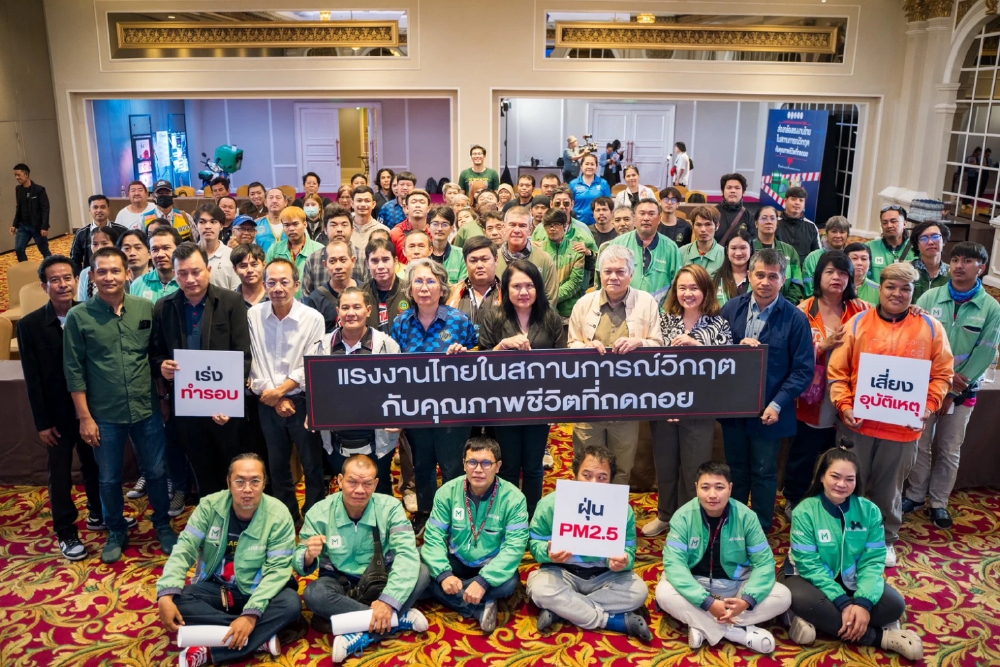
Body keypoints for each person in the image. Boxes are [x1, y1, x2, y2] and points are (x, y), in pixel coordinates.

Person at [827, 262, 953, 564]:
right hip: (858, 425)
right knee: (849, 485)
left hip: (902, 429)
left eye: (905, 289)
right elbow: (838, 371)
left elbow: (942, 374)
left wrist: (929, 406)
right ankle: (848, 535)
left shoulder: (931, 328)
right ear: (880, 288)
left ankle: (884, 540)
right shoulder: (858, 323)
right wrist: (844, 405)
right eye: (891, 287)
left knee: (890, 490)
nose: (897, 293)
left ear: (913, 292)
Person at [63, 246, 179, 563]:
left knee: (156, 471)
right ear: (92, 276)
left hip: (146, 408)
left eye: (116, 270)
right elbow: (74, 370)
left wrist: (162, 398)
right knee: (109, 477)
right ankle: (116, 530)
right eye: (102, 271)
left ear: (127, 273)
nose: (109, 277)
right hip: (104, 413)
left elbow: (154, 357)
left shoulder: (145, 308)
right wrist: (85, 418)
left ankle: (162, 525)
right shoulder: (78, 317)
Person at [156, 453, 300, 667]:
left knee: (291, 604)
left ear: (264, 483)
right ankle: (259, 638)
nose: (247, 489)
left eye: (255, 481)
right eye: (240, 481)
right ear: (228, 482)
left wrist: (251, 615)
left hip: (260, 591)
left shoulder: (278, 514)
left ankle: (212, 646)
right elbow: (184, 549)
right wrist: (165, 594)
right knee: (176, 600)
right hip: (220, 591)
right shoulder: (209, 506)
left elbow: (278, 571)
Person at [781, 448, 923, 661]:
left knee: (895, 605)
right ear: (821, 477)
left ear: (857, 481)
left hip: (852, 579)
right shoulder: (804, 510)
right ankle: (879, 637)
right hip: (806, 578)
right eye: (835, 476)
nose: (842, 484)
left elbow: (872, 561)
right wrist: (843, 602)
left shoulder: (870, 511)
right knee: (798, 599)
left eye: (850, 479)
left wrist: (863, 603)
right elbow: (809, 565)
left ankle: (818, 622)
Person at [296, 455, 429, 663]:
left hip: (381, 576)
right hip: (339, 581)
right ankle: (398, 618)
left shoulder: (390, 507)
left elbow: (406, 552)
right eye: (352, 482)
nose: (360, 490)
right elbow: (299, 561)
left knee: (421, 572)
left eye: (367, 483)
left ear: (375, 484)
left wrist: (387, 601)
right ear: (340, 480)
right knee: (314, 594)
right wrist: (307, 555)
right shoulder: (319, 512)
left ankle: (359, 632)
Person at [904, 242, 1000, 528]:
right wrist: (940, 378)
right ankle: (915, 495)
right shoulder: (930, 297)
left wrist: (954, 387)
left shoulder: (991, 308)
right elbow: (916, 342)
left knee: (949, 449)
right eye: (955, 259)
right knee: (918, 444)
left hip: (963, 392)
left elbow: (986, 351)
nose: (959, 266)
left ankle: (939, 502)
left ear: (981, 268)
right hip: (926, 387)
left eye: (967, 261)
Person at [17, 255, 106, 560]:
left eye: (68, 278)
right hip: (56, 416)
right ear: (44, 286)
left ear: (77, 281)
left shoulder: (91, 313)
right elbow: (32, 378)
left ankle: (98, 512)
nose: (63, 284)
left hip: (91, 410)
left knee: (95, 466)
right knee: (60, 474)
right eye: (54, 280)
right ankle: (66, 531)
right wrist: (42, 423)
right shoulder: (30, 326)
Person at [719, 248, 814, 531]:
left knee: (764, 471)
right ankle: (734, 525)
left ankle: (759, 528)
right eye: (759, 275)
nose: (765, 282)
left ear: (783, 280)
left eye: (773, 276)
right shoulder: (730, 309)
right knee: (736, 470)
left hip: (771, 411)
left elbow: (803, 370)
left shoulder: (796, 319)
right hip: (734, 409)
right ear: (749, 275)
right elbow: (717, 355)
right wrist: (735, 349)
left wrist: (778, 403)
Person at [656, 461, 791, 653]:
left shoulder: (746, 517)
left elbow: (764, 563)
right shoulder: (683, 516)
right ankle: (738, 634)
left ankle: (701, 625)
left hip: (736, 587)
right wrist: (706, 602)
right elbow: (674, 565)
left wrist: (747, 600)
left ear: (730, 488)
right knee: (663, 593)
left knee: (783, 596)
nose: (712, 495)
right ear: (696, 488)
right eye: (705, 487)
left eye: (719, 487)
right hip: (695, 585)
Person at [151, 242, 251, 497]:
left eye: (195, 272)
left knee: (233, 468)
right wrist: (162, 366)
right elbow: (156, 353)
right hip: (188, 405)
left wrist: (230, 403)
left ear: (208, 270)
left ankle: (239, 514)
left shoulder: (231, 301)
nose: (190, 279)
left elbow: (243, 355)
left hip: (225, 405)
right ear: (175, 274)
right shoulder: (163, 307)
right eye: (182, 273)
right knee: (201, 469)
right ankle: (210, 515)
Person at [527, 444, 652, 641]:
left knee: (639, 592)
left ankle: (563, 610)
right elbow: (535, 544)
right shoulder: (550, 503)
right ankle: (612, 621)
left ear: (610, 480)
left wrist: (622, 561)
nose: (594, 483)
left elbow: (629, 551)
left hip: (606, 575)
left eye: (602, 477)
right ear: (575, 474)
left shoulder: (622, 509)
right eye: (587, 475)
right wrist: (547, 552)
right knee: (539, 588)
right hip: (562, 571)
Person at [642, 265, 732, 537]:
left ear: (705, 290)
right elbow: (652, 364)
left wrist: (699, 346)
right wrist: (664, 402)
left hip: (699, 409)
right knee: (665, 466)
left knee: (694, 469)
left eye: (694, 288)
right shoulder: (664, 319)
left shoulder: (718, 323)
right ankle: (665, 516)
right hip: (665, 406)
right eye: (682, 288)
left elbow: (726, 366)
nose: (687, 293)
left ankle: (688, 521)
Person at [390, 259, 478, 534]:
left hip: (454, 408)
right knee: (422, 464)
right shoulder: (400, 323)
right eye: (418, 281)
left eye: (431, 281)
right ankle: (425, 512)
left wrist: (465, 354)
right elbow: (392, 368)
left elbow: (479, 359)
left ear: (441, 287)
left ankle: (454, 515)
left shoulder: (459, 320)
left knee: (453, 466)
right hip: (416, 409)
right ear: (410, 288)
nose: (424, 287)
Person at [568, 245, 665, 484]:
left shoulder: (646, 302)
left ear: (631, 274)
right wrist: (585, 349)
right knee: (587, 466)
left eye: (620, 272)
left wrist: (639, 343)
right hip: (589, 401)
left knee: (622, 467)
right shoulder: (584, 303)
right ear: (600, 273)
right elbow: (571, 345)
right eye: (608, 271)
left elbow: (658, 345)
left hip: (627, 402)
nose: (613, 277)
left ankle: (616, 509)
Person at [784, 251, 870, 515]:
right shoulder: (802, 310)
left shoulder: (863, 310)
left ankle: (834, 499)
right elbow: (788, 353)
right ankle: (795, 497)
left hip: (850, 393)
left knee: (841, 451)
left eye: (843, 273)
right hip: (813, 397)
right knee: (806, 450)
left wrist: (914, 310)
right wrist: (820, 347)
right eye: (830, 272)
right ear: (818, 276)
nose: (836, 278)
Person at [478, 260, 565, 515]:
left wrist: (556, 404)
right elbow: (481, 362)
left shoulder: (551, 318)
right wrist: (502, 346)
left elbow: (563, 364)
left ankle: (531, 516)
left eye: (529, 285)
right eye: (516, 286)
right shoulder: (494, 317)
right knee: (508, 466)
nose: (523, 292)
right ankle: (508, 515)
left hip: (540, 404)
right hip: (504, 405)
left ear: (538, 287)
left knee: (534, 466)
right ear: (506, 289)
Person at [419, 435, 529, 634]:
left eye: (486, 463)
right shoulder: (447, 492)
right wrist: (444, 574)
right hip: (456, 558)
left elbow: (514, 548)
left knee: (510, 583)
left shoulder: (514, 499)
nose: (478, 469)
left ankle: (448, 592)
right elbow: (434, 537)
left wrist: (484, 581)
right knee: (418, 562)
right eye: (472, 462)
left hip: (490, 563)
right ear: (464, 464)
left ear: (498, 466)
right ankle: (476, 607)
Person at [248, 258, 327, 523]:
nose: (278, 288)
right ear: (264, 285)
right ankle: (287, 515)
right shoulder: (254, 315)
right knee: (277, 465)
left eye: (284, 282)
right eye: (271, 282)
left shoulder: (312, 318)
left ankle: (314, 515)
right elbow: (254, 360)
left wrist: (281, 391)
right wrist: (274, 396)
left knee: (312, 464)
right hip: (267, 400)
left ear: (296, 284)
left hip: (303, 400)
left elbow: (312, 361)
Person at [598, 198, 682, 306]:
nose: (646, 218)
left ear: (659, 218)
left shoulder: (671, 248)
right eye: (642, 213)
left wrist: (663, 312)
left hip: (659, 312)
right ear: (634, 218)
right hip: (622, 310)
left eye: (651, 214)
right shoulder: (618, 243)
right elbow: (606, 279)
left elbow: (677, 284)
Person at [495, 206, 559, 306]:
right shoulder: (493, 259)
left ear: (530, 230)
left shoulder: (544, 259)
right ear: (504, 227)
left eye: (522, 226)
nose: (517, 230)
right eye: (512, 225)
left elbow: (550, 299)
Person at [302, 204, 364, 297]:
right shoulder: (313, 259)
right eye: (333, 225)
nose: (339, 229)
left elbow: (370, 292)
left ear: (352, 230)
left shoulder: (363, 257)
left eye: (344, 225)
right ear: (325, 230)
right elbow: (306, 297)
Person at [265, 206, 324, 299]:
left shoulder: (319, 249)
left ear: (305, 224)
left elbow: (322, 282)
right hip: (280, 300)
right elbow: (267, 278)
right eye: (287, 225)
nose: (291, 228)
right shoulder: (274, 250)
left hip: (311, 302)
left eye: (295, 224)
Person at [538, 208, 586, 318]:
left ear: (564, 226)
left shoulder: (576, 250)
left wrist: (551, 297)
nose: (552, 228)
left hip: (569, 311)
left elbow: (575, 282)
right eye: (548, 225)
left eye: (556, 224)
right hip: (544, 311)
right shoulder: (538, 251)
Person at [446, 235, 502, 331]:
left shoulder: (507, 293)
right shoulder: (450, 293)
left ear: (496, 260)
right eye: (473, 261)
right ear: (465, 262)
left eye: (485, 259)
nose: (479, 265)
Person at [753, 205, 804, 305]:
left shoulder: (789, 251)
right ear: (756, 223)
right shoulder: (749, 249)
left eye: (772, 218)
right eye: (764, 218)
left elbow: (796, 281)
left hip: (786, 305)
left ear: (777, 223)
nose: (769, 222)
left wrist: (786, 304)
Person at [304, 239, 357, 333]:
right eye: (332, 261)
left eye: (343, 260)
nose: (338, 266)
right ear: (325, 264)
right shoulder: (316, 299)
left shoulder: (365, 291)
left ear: (353, 261)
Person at [362, 238, 408, 334]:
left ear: (395, 261)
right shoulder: (360, 294)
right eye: (374, 261)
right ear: (367, 264)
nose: (380, 266)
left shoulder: (409, 291)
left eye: (385, 260)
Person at [70, 195, 127, 270]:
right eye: (95, 207)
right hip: (91, 272)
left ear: (109, 210)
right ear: (90, 210)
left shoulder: (122, 231)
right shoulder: (81, 233)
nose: (99, 210)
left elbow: (126, 255)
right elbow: (75, 260)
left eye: (103, 207)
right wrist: (82, 275)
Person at [131, 226, 181, 303]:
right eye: (155, 249)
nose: (160, 254)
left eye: (166, 248)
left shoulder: (187, 282)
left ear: (178, 249)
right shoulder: (138, 285)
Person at [195, 204, 240, 291]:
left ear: (221, 226)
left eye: (213, 222)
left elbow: (236, 292)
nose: (208, 226)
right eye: (202, 222)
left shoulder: (232, 256)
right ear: (196, 226)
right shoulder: (189, 255)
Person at [866, 205, 916, 282]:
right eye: (885, 223)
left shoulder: (916, 248)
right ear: (881, 226)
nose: (889, 225)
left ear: (904, 224)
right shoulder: (869, 247)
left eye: (893, 221)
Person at [803, 216, 851, 296]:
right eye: (834, 231)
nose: (838, 235)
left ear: (847, 235)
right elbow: (808, 288)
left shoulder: (852, 257)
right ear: (826, 233)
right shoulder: (813, 257)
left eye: (842, 232)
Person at [349, 185, 389, 276]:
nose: (363, 204)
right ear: (352, 203)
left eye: (367, 201)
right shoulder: (345, 229)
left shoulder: (383, 230)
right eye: (359, 200)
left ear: (373, 204)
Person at [76, 225, 124, 301]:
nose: (99, 248)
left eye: (104, 243)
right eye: (95, 244)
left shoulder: (123, 269)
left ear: (114, 245)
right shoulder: (85, 273)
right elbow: (82, 301)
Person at [906, 220, 951, 300]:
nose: (930, 242)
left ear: (943, 241)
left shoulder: (953, 273)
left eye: (935, 237)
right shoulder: (907, 271)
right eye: (924, 238)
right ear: (917, 245)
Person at [776, 187, 820, 264]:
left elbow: (817, 255)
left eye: (801, 200)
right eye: (793, 199)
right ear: (785, 201)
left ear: (804, 204)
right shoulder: (775, 224)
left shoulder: (811, 227)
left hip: (803, 270)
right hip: (778, 268)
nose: (797, 203)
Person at [426, 205, 467, 283]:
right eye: (435, 224)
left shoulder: (461, 255)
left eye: (445, 224)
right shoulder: (422, 254)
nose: (440, 229)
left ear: (451, 228)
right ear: (428, 227)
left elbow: (461, 286)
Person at [389, 189, 432, 263]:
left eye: (422, 202)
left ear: (428, 208)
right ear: (406, 208)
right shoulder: (395, 233)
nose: (418, 205)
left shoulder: (435, 232)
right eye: (414, 202)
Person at [569, 153, 612, 226]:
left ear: (596, 167)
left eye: (592, 164)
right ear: (581, 166)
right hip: (578, 224)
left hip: (599, 224)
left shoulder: (603, 183)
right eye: (587, 164)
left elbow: (609, 205)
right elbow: (569, 205)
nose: (589, 167)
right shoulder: (573, 184)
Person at [680, 206, 724, 275]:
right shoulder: (680, 253)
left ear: (717, 226)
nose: (703, 229)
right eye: (698, 225)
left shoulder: (725, 256)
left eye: (708, 224)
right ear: (692, 226)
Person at [713, 228, 753, 305]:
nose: (738, 253)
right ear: (727, 250)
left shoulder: (759, 278)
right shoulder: (714, 278)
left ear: (750, 249)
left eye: (743, 248)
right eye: (733, 248)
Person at [714, 173, 757, 244]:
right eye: (729, 188)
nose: (733, 191)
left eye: (737, 188)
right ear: (722, 191)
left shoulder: (750, 217)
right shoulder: (712, 213)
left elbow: (752, 243)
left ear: (743, 192)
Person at [231, 243, 268, 308]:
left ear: (264, 265)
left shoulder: (275, 297)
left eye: (254, 265)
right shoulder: (229, 301)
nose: (250, 270)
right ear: (235, 269)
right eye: (243, 266)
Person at [254, 188, 288, 254]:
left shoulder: (294, 223)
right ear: (265, 202)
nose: (274, 201)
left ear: (285, 202)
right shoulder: (256, 224)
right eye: (271, 198)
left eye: (278, 198)